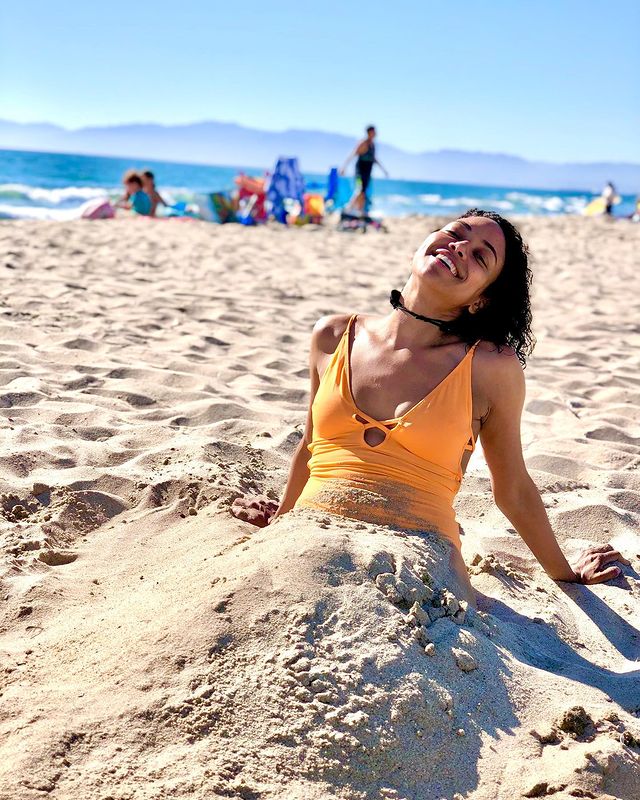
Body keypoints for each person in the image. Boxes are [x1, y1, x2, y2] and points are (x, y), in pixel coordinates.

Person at [232, 209, 627, 601]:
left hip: (419, 568)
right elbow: (311, 446)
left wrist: (567, 574)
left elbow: (513, 488)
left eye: (480, 256)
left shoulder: (489, 367)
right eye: (456, 233)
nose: (461, 248)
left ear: (481, 300)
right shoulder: (333, 335)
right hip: (308, 540)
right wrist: (282, 523)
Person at [340, 125, 389, 214]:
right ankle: (348, 208)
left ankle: (360, 211)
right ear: (369, 132)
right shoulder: (363, 143)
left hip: (367, 172)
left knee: (363, 192)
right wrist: (344, 167)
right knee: (359, 189)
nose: (375, 133)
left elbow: (374, 158)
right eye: (373, 132)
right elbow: (353, 154)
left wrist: (383, 170)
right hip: (360, 171)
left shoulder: (372, 145)